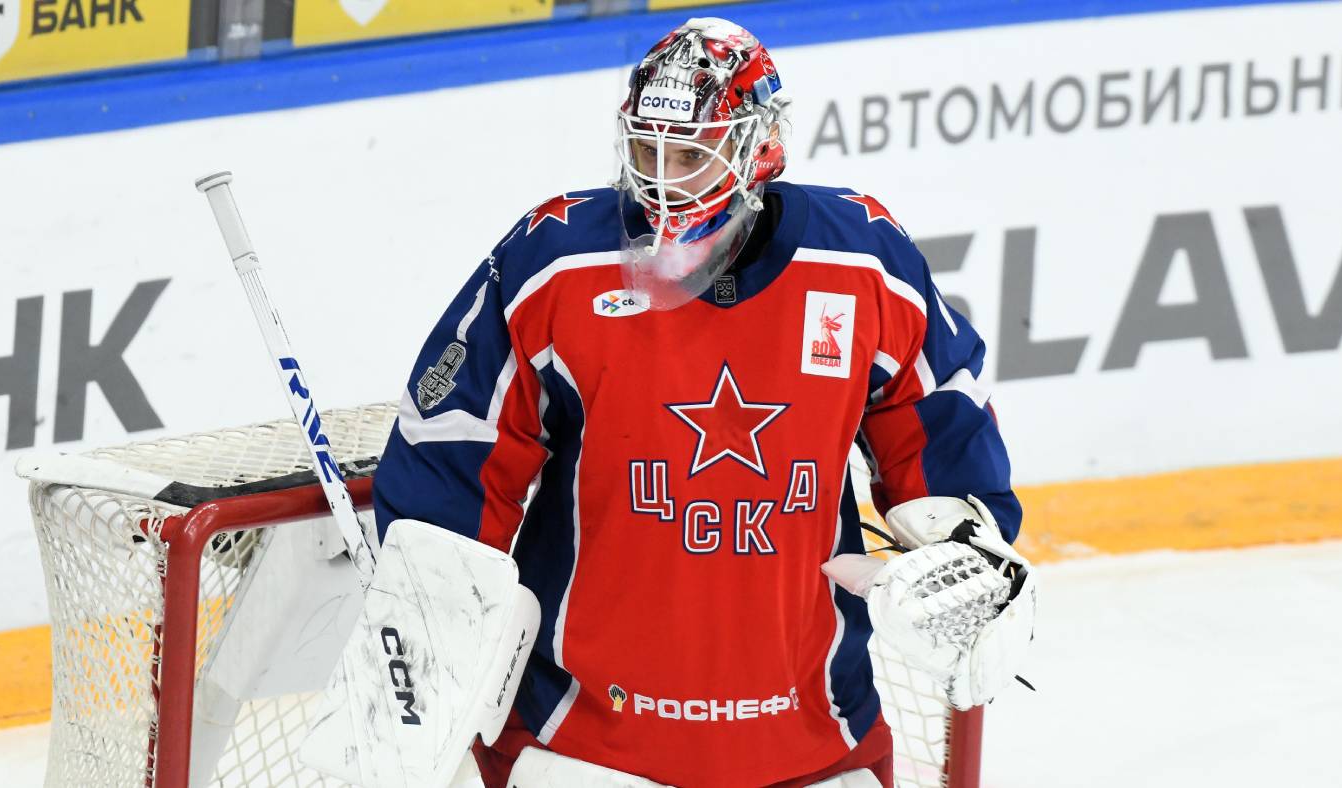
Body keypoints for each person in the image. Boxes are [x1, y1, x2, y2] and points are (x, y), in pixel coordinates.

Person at [373, 17, 1032, 788]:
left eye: (690, 153)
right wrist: (429, 616)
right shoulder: (555, 262)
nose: (662, 179)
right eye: (647, 148)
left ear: (759, 146)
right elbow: (454, 444)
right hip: (578, 746)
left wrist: (967, 541)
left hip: (815, 741)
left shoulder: (864, 262)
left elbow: (939, 415)